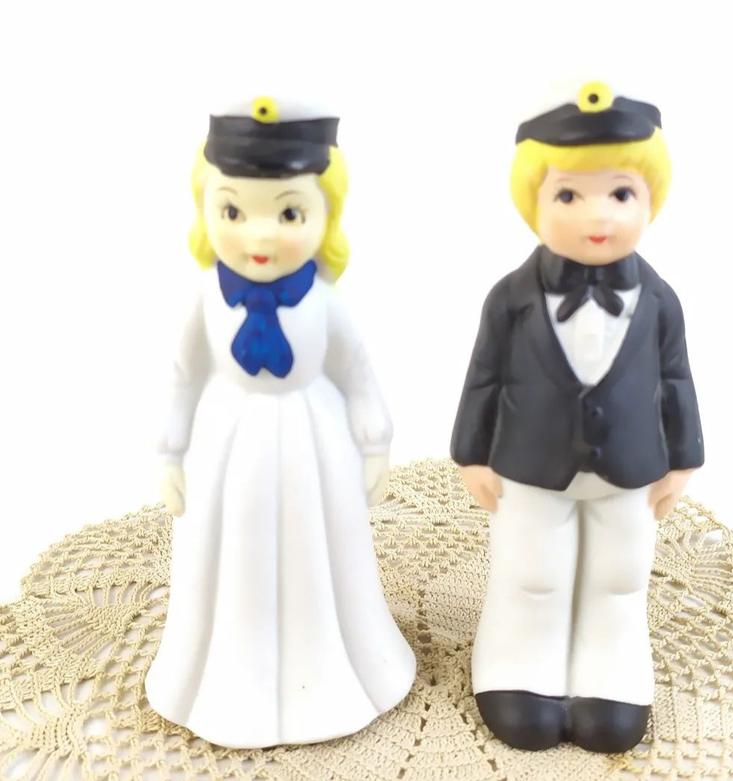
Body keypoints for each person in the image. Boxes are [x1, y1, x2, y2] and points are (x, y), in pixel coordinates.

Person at [145, 95, 416, 749]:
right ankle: (224, 675)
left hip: (313, 448)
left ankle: (329, 670)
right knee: (231, 557)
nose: (260, 236)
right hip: (225, 447)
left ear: (325, 215)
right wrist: (171, 452)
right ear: (206, 209)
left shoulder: (324, 302)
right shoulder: (206, 298)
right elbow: (182, 375)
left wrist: (374, 442)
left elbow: (356, 372)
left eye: (288, 212)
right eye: (233, 211)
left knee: (318, 555)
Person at [451, 80, 704, 753]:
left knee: (619, 577)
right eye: (569, 195)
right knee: (531, 572)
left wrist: (684, 459)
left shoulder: (661, 301)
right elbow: (484, 377)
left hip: (630, 472)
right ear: (532, 202)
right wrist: (471, 454)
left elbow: (676, 378)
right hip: (530, 467)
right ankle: (517, 672)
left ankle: (610, 679)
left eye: (620, 194)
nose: (599, 215)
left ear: (650, 200)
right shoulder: (509, 299)